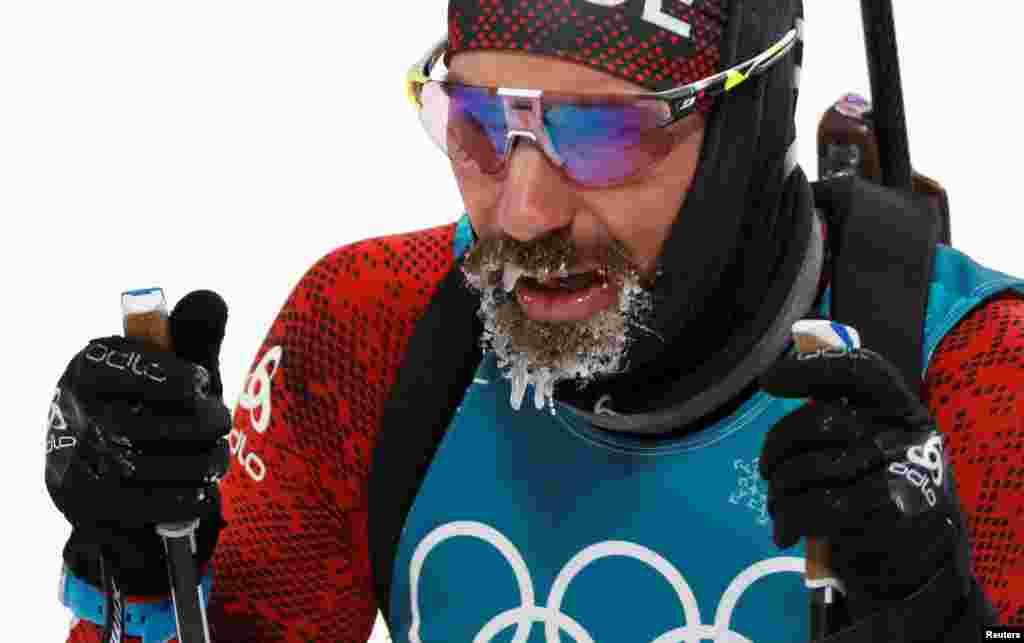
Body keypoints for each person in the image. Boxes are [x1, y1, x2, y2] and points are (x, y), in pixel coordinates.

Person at [46, 0, 1024, 641]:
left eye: (601, 134)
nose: (521, 212)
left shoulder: (982, 374)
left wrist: (943, 620)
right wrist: (135, 565)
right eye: (474, 124)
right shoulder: (370, 329)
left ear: (748, 127)